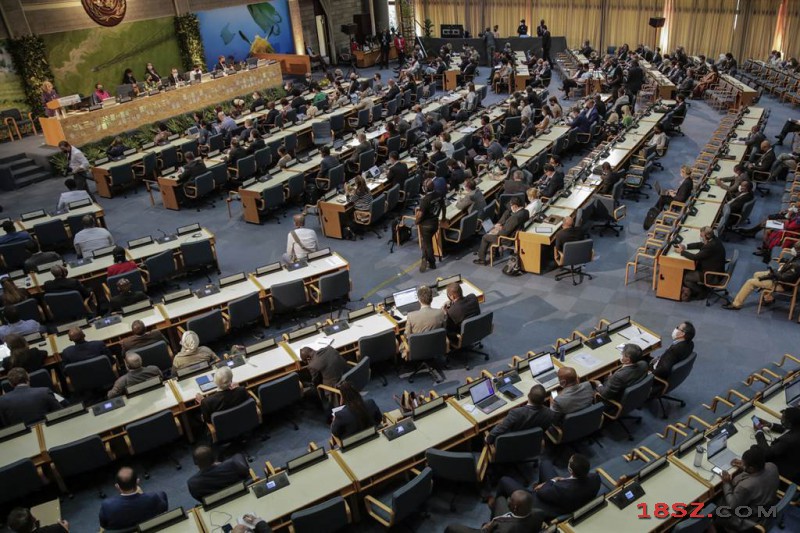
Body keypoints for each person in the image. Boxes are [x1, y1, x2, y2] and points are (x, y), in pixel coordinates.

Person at [495, 454, 601, 522]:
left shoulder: (560, 488)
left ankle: (496, 504)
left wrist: (552, 481)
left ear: (570, 471)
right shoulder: (596, 478)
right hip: (565, 498)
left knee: (504, 480)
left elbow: (540, 492)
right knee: (545, 464)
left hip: (541, 504)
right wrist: (560, 480)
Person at [714, 446, 779, 532]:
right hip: (766, 505)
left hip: (750, 517)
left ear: (751, 468)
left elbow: (732, 506)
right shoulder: (772, 466)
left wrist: (726, 483)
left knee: (713, 504)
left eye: (744, 464)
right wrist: (744, 466)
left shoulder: (745, 486)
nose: (742, 465)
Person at [724, 240, 800, 310]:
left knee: (750, 282)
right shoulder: (797, 258)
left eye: (795, 249)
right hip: (779, 276)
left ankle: (736, 304)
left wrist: (774, 272)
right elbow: (788, 269)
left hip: (782, 284)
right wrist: (784, 264)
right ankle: (767, 298)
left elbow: (784, 278)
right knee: (756, 274)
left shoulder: (797, 264)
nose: (792, 249)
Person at [98, 467, 168, 530]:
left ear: (117, 486)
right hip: (149, 528)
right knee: (162, 494)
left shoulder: (107, 506)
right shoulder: (152, 497)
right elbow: (163, 508)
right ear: (137, 481)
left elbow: (104, 525)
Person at [444, 490, 542, 533]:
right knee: (500, 499)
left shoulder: (504, 530)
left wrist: (486, 528)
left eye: (510, 500)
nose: (508, 500)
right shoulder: (539, 512)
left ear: (515, 508)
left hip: (500, 528)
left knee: (452, 528)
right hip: (514, 523)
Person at [403, 285, 447, 381]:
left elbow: (406, 335)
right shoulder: (440, 313)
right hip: (436, 346)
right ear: (432, 299)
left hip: (417, 350)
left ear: (419, 300)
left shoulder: (411, 316)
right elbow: (444, 329)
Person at [486, 385, 556, 444]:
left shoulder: (516, 413)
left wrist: (488, 439)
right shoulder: (549, 413)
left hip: (513, 444)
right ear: (544, 400)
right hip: (533, 444)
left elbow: (500, 429)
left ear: (528, 396)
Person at [675, 226, 726, 301]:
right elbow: (700, 244)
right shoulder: (714, 239)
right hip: (717, 270)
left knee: (686, 278)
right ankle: (699, 288)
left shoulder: (710, 247)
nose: (700, 236)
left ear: (707, 236)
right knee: (689, 269)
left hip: (712, 275)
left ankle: (702, 292)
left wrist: (682, 252)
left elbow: (695, 257)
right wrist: (685, 246)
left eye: (701, 235)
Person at [474, 197, 529, 265]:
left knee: (485, 237)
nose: (510, 207)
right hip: (514, 234)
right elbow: (509, 227)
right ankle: (495, 253)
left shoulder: (515, 218)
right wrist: (500, 227)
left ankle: (482, 259)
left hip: (507, 239)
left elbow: (503, 233)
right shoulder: (526, 212)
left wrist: (495, 231)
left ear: (515, 206)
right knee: (492, 229)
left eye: (511, 205)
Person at [752, 407, 800, 483]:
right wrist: (770, 425)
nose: (780, 419)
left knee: (754, 450)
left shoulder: (786, 441)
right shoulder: (796, 427)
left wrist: (758, 431)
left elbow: (767, 453)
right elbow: (788, 430)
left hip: (790, 473)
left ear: (789, 423)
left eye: (783, 419)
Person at [187, 446, 251, 501]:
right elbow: (246, 473)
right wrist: (222, 464)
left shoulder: (192, 484)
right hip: (242, 495)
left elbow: (200, 499)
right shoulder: (234, 463)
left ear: (196, 463)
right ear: (214, 457)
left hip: (216, 504)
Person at [300, 344, 349, 411]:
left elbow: (315, 382)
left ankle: (326, 409)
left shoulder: (312, 365)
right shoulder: (329, 348)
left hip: (335, 387)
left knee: (312, 390)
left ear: (308, 359)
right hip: (349, 376)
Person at [416, 178, 444, 272]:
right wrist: (443, 217)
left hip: (426, 226)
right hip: (435, 223)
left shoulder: (425, 200)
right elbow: (443, 207)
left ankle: (432, 263)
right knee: (425, 242)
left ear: (425, 189)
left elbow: (420, 214)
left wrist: (416, 221)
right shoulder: (439, 194)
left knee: (428, 244)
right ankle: (424, 257)